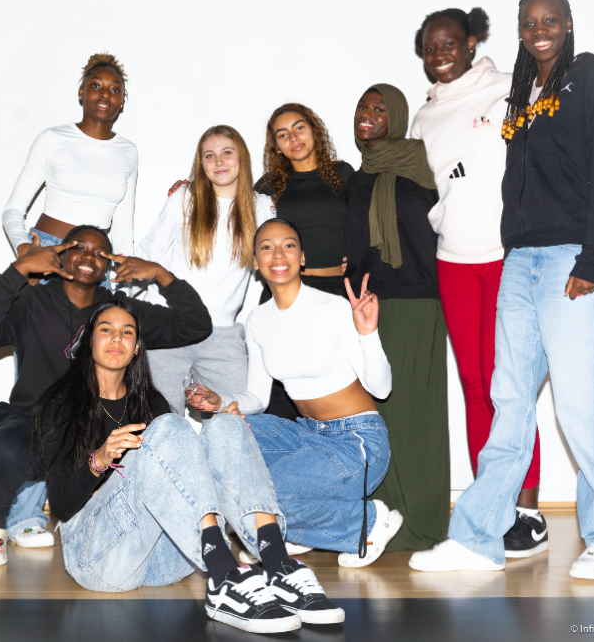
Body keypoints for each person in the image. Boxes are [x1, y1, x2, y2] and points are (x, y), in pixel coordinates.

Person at [409, 0, 594, 580]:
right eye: (530, 22)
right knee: (507, 402)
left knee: (582, 400)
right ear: (518, 30)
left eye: (550, 20)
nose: (540, 30)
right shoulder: (520, 93)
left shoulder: (590, 77)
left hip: (571, 259)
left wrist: (593, 259)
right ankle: (478, 537)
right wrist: (512, 245)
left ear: (567, 23)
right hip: (521, 261)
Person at [31, 300, 344, 631]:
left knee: (226, 425)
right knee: (168, 427)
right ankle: (225, 576)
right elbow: (61, 507)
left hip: (166, 559)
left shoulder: (150, 401)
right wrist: (99, 460)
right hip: (99, 559)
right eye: (106, 330)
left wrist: (226, 439)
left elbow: (179, 476)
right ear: (89, 340)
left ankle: (278, 564)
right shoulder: (60, 403)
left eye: (127, 332)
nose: (116, 338)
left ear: (137, 348)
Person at [0, 225, 211, 557]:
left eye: (99, 253)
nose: (89, 257)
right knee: (2, 451)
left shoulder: (118, 311)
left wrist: (159, 274)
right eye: (79, 248)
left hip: (98, 420)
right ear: (61, 255)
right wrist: (19, 269)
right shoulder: (31, 301)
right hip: (35, 418)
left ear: (107, 265)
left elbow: (195, 325)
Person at [188, 218, 402, 569]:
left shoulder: (333, 308)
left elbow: (382, 389)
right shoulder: (257, 320)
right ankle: (289, 531)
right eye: (267, 247)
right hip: (308, 437)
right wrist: (220, 402)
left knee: (265, 490)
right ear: (255, 261)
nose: (278, 254)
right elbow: (257, 397)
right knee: (222, 434)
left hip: (358, 445)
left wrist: (368, 332)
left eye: (288, 245)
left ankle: (366, 524)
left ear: (302, 257)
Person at [411, 7, 546, 557]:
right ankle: (489, 503)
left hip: (509, 255)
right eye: (430, 48)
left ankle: (528, 512)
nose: (439, 55)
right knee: (473, 387)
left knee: (507, 386)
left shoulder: (511, 88)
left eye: (449, 43)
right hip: (454, 260)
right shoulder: (424, 117)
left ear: (471, 42)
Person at [344, 83, 449, 553]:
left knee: (417, 414)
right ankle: (382, 515)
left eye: (379, 107)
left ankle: (423, 520)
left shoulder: (425, 164)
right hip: (368, 308)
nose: (367, 113)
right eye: (362, 106)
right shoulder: (357, 178)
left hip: (418, 301)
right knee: (378, 416)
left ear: (399, 116)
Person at [134, 125, 275, 415]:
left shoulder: (261, 207)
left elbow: (278, 257)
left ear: (242, 157)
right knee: (159, 421)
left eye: (227, 153)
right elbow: (148, 253)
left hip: (221, 333)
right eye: (209, 155)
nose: (219, 161)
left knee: (235, 416)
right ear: (201, 164)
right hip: (169, 325)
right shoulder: (184, 197)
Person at [254, 104, 355, 422]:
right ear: (276, 145)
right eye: (282, 134)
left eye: (299, 127)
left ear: (314, 129)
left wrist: (358, 256)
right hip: (288, 293)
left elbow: (366, 221)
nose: (293, 138)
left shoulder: (342, 174)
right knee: (282, 389)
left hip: (338, 291)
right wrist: (189, 189)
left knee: (338, 387)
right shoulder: (270, 185)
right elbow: (232, 211)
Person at [2, 53, 137, 278]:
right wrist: (24, 248)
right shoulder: (52, 138)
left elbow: (123, 231)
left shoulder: (129, 151)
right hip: (48, 254)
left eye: (115, 89)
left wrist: (124, 283)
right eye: (96, 85)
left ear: (122, 100)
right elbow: (13, 209)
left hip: (96, 266)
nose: (105, 93)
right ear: (81, 92)